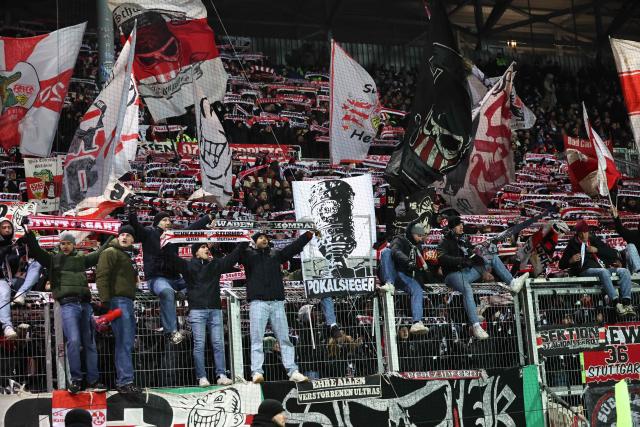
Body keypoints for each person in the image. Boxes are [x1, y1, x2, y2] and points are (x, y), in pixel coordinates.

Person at [24, 221, 111, 393]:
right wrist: (28, 232)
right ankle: (77, 380)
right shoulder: (52, 260)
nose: (65, 246)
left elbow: (100, 253)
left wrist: (111, 234)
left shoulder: (81, 260)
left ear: (74, 244)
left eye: (69, 243)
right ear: (59, 244)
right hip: (68, 305)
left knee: (90, 343)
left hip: (85, 305)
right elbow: (35, 250)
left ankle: (93, 382)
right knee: (74, 341)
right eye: (62, 243)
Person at [128, 207, 214, 344]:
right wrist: (131, 212)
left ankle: (189, 313)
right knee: (167, 292)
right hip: (157, 278)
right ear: (156, 223)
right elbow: (136, 226)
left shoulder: (174, 236)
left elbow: (190, 229)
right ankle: (171, 332)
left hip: (176, 279)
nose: (168, 222)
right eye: (164, 220)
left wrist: (207, 218)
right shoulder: (149, 234)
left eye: (169, 220)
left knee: (199, 280)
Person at [171, 240, 249, 387]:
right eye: (202, 247)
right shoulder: (188, 266)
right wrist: (166, 241)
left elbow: (232, 257)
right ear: (195, 252)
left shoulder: (215, 265)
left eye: (207, 247)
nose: (207, 249)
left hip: (215, 310)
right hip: (197, 311)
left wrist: (243, 243)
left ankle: (221, 375)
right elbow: (171, 257)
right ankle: (202, 377)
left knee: (218, 344)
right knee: (199, 344)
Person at [240, 230, 313, 383]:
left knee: (284, 339)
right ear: (254, 241)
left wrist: (305, 237)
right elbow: (236, 251)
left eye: (266, 237)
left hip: (277, 302)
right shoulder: (248, 255)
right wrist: (244, 241)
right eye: (260, 237)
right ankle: (257, 372)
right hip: (258, 303)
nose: (264, 240)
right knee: (257, 339)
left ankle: (292, 371)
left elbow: (292, 249)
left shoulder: (275, 255)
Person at [437, 216, 528, 339]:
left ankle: (512, 283)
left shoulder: (463, 240)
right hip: (452, 275)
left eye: (461, 224)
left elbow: (472, 255)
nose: (461, 227)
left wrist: (479, 261)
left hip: (465, 272)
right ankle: (476, 326)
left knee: (492, 256)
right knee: (467, 289)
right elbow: (442, 258)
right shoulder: (445, 241)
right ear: (452, 227)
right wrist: (461, 260)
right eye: (458, 225)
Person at [95, 225, 141, 394]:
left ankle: (125, 380)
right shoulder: (110, 252)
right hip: (118, 301)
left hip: (126, 301)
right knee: (124, 341)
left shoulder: (127, 255)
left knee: (126, 341)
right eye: (122, 234)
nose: (124, 237)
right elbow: (101, 276)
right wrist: (106, 300)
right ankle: (125, 381)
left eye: (128, 235)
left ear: (132, 240)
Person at [559, 219, 636, 318]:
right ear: (577, 233)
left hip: (601, 268)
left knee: (624, 271)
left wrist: (597, 250)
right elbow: (561, 265)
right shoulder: (572, 244)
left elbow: (612, 253)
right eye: (581, 233)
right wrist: (570, 260)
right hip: (585, 271)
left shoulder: (593, 239)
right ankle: (616, 303)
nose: (584, 235)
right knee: (603, 272)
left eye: (586, 232)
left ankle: (626, 303)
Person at [379, 221, 429, 335]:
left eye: (422, 236)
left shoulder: (418, 247)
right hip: (392, 272)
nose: (420, 238)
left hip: (404, 276)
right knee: (386, 252)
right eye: (419, 235)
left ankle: (417, 322)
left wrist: (422, 284)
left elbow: (419, 268)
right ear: (412, 233)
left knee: (417, 289)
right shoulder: (399, 239)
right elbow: (395, 251)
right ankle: (389, 284)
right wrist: (407, 261)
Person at [0, 218, 42, 339]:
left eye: (9, 227)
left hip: (20, 283)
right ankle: (7, 327)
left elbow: (36, 253)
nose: (7, 230)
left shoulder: (18, 244)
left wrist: (28, 235)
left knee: (37, 263)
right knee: (4, 293)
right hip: (3, 281)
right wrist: (3, 252)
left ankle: (21, 295)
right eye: (4, 227)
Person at [610, 206, 640, 273]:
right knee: (630, 246)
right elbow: (621, 230)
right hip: (634, 269)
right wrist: (616, 217)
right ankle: (638, 272)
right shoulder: (635, 235)